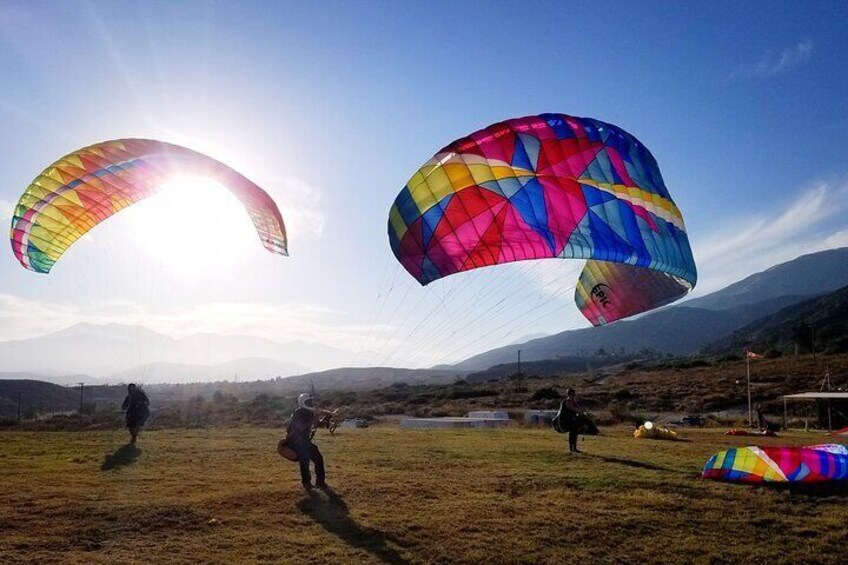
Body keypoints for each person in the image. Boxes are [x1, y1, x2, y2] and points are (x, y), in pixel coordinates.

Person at [287, 393, 328, 491]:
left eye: (311, 401)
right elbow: (301, 427)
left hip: (305, 441)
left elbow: (317, 425)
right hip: (297, 441)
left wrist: (325, 418)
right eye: (308, 401)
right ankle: (307, 483)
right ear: (303, 402)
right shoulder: (297, 413)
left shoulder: (309, 413)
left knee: (318, 459)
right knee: (304, 461)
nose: (311, 403)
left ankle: (320, 482)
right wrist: (313, 420)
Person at [561, 388, 583, 453]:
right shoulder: (567, 401)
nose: (574, 395)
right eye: (573, 394)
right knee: (572, 433)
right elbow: (572, 408)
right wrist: (579, 411)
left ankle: (574, 447)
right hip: (568, 420)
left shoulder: (573, 401)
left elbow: (578, 408)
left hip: (573, 419)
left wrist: (581, 411)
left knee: (575, 433)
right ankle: (571, 448)